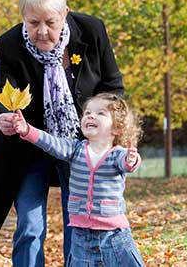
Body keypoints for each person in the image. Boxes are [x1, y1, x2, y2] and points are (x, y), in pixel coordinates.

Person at [0, 0, 124, 267]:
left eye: (50, 22)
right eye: (33, 22)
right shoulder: (10, 44)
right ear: (23, 17)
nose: (42, 32)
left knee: (77, 221)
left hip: (79, 147)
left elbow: (113, 86)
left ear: (65, 13)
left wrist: (102, 123)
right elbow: (1, 96)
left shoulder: (92, 31)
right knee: (30, 223)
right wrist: (2, 117)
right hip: (29, 145)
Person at [12, 93, 145, 267]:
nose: (91, 115)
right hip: (81, 237)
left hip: (114, 236)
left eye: (100, 113)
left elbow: (128, 164)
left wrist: (132, 160)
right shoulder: (75, 149)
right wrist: (28, 130)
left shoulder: (117, 154)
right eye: (88, 112)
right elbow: (51, 142)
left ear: (117, 128)